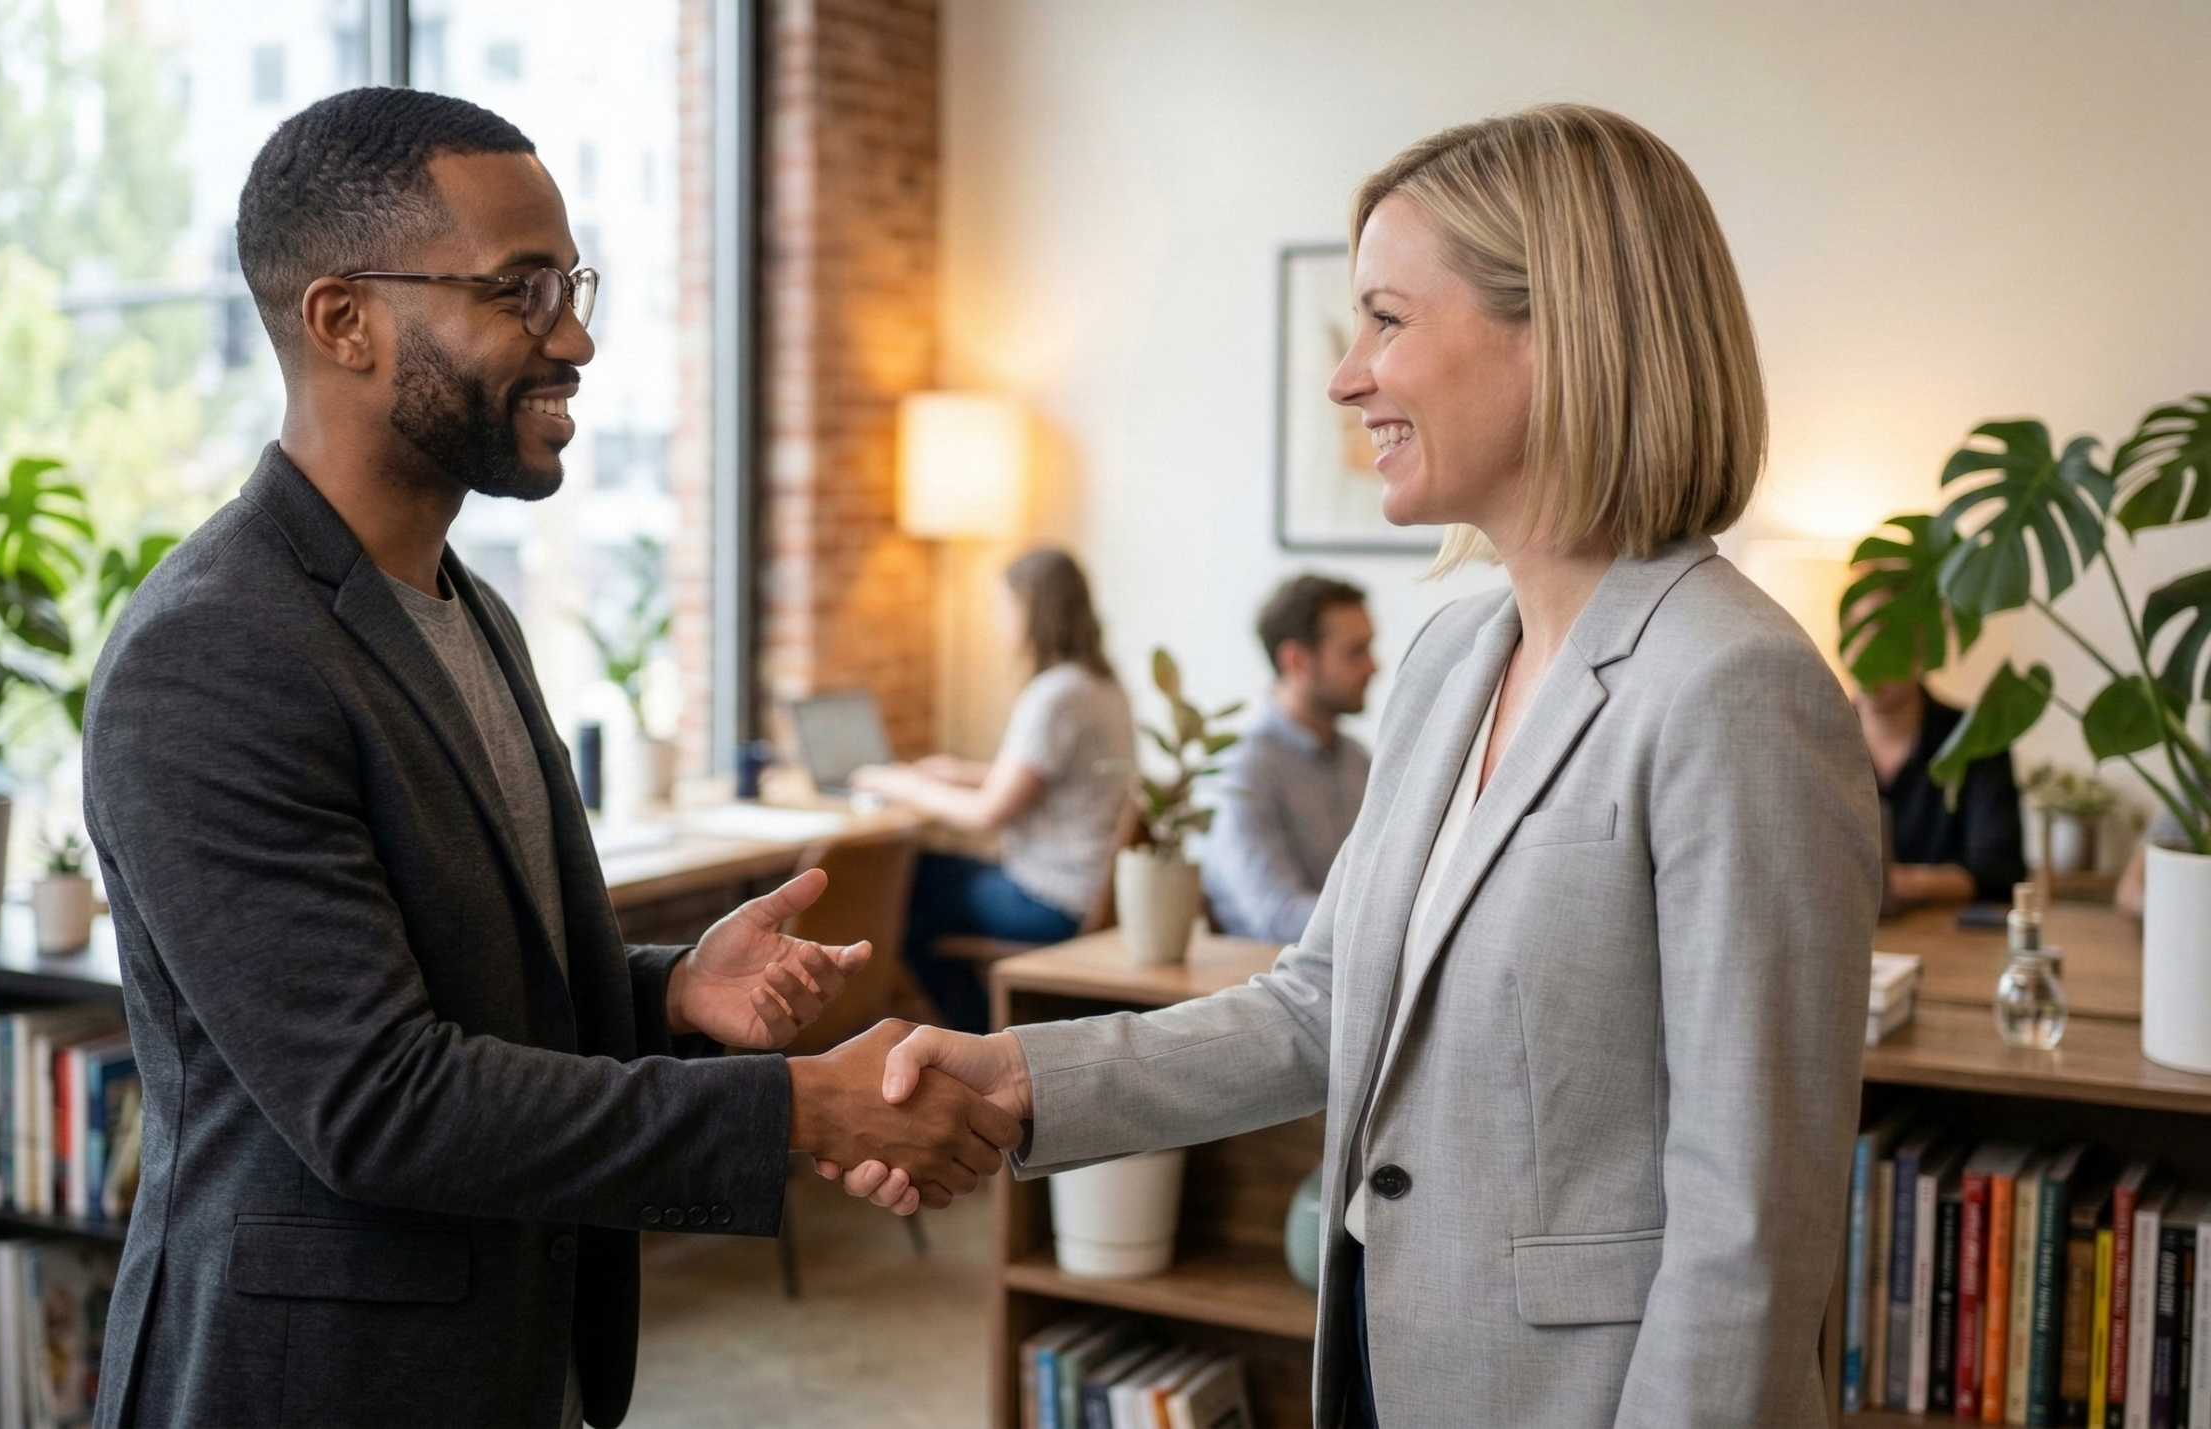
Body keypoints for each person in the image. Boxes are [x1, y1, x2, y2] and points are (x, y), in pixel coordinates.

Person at [830, 105, 1879, 1428]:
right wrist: (1024, 1079)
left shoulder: (1736, 689)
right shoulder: (1451, 660)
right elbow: (1325, 1006)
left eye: (1386, 319)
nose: (1347, 376)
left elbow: (1753, 1225)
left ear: (1561, 330)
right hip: (1387, 1362)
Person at [80, 89, 1019, 1429]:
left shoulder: (471, 608)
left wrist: (672, 995)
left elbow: (468, 993)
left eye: (571, 284)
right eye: (520, 290)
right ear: (344, 320)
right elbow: (380, 1099)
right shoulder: (211, 655)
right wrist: (798, 1110)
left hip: (519, 1357)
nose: (573, 336)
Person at [850, 549, 1134, 1033]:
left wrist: (908, 786)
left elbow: (989, 813)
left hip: (1052, 901)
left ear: (1030, 610)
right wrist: (958, 771)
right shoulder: (1101, 685)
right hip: (1092, 891)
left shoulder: (1054, 695)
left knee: (899, 888)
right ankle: (974, 1027)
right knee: (923, 874)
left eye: (1004, 608)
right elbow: (1045, 780)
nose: (999, 622)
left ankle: (978, 1034)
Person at [1203, 575, 1378, 941]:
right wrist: (1393, 925)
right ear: (1297, 660)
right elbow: (1277, 917)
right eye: (1355, 652)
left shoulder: (1358, 761)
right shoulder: (1244, 769)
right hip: (1270, 978)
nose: (1373, 666)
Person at [1857, 672, 2026, 903]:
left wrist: (1891, 883)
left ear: (1921, 647)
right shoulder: (1816, 738)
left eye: (1882, 643)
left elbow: (2000, 871)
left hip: (1951, 933)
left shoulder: (1977, 738)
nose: (1862, 658)